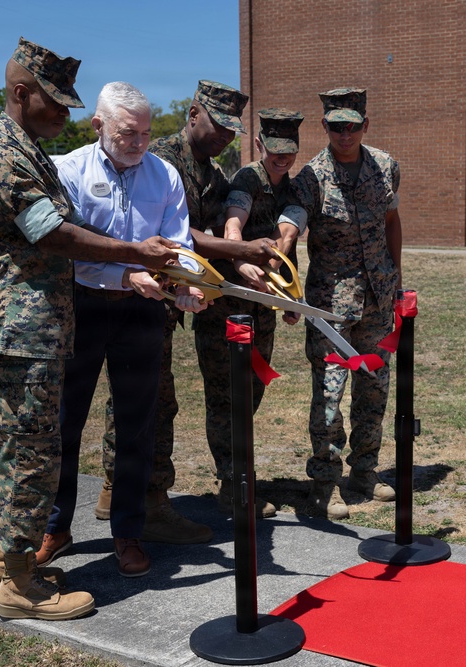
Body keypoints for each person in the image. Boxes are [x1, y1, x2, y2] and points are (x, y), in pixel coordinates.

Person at [0, 38, 180, 621]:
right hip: (19, 328)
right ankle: (20, 585)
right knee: (33, 451)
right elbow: (53, 234)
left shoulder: (28, 149)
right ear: (19, 93)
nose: (65, 113)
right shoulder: (3, 154)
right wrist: (135, 252)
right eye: (55, 101)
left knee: (19, 447)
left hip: (39, 326)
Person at [32, 82, 208, 578]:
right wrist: (126, 271)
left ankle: (128, 532)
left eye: (147, 134)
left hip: (142, 315)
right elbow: (67, 245)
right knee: (66, 422)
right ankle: (55, 526)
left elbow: (175, 245)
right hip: (82, 308)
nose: (139, 143)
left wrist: (185, 287)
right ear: (98, 126)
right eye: (128, 133)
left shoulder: (164, 174)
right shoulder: (69, 171)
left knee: (137, 427)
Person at [93, 80, 280, 535]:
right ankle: (134, 497)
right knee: (146, 397)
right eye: (218, 125)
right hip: (128, 290)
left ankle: (123, 491)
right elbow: (184, 235)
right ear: (194, 113)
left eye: (233, 132)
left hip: (176, 300)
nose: (224, 137)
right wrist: (238, 252)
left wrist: (246, 258)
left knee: (167, 393)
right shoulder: (155, 158)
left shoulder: (213, 175)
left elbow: (213, 235)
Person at [276, 88, 402, 520]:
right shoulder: (311, 178)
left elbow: (391, 220)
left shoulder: (386, 167)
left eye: (352, 126)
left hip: (377, 299)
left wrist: (396, 279)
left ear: (365, 125)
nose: (344, 134)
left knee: (375, 388)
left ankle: (365, 473)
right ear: (325, 127)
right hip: (330, 306)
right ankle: (324, 484)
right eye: (335, 126)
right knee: (330, 394)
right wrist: (285, 276)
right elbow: (290, 226)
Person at [193, 108, 305, 517]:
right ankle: (232, 484)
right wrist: (241, 259)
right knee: (225, 394)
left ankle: (238, 474)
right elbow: (233, 224)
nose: (281, 159)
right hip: (225, 307)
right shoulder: (246, 180)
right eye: (274, 150)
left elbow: (287, 236)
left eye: (288, 152)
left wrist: (287, 292)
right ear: (260, 145)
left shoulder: (292, 190)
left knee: (253, 391)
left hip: (262, 308)